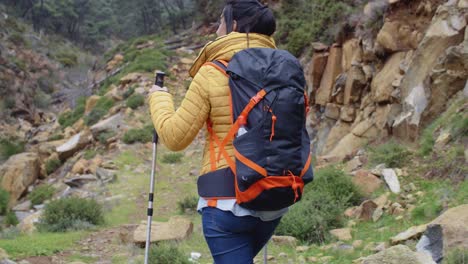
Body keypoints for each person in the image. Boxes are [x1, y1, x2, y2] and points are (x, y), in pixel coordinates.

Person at [148, 1, 285, 263]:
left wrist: (159, 99)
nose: (216, 31)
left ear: (233, 26)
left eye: (220, 23)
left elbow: (175, 137)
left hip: (227, 200)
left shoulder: (212, 72)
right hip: (275, 196)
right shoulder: (283, 71)